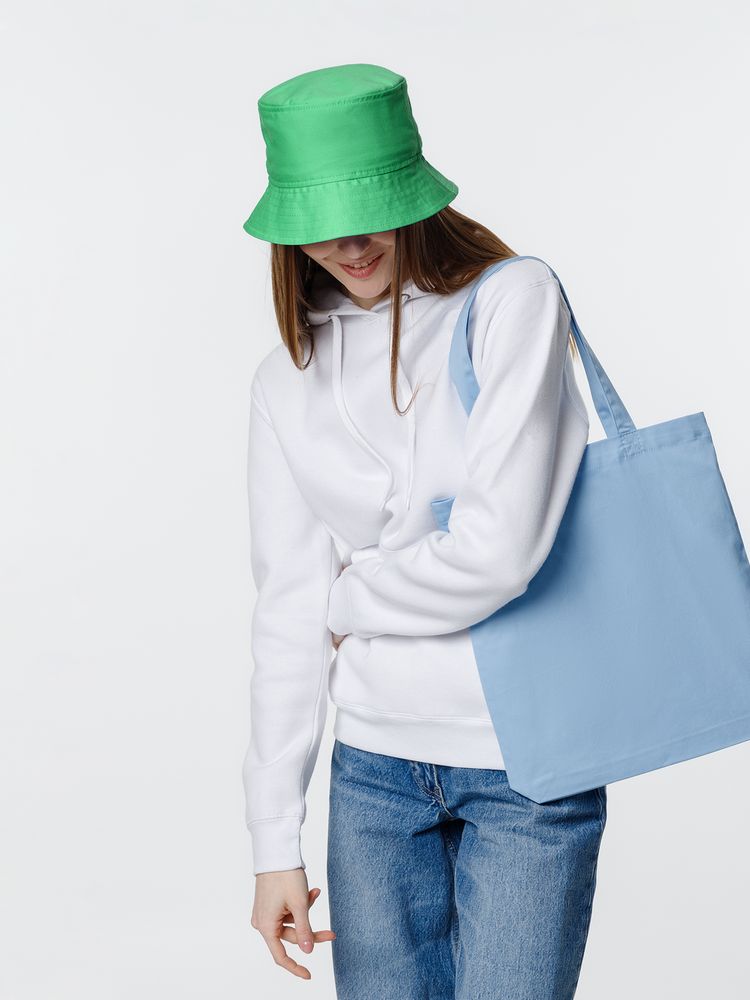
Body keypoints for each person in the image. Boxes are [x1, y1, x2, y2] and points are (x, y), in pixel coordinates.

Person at [241, 62, 607, 998]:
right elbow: (285, 611)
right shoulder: (286, 378)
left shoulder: (511, 300)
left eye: (368, 209)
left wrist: (348, 598)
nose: (348, 243)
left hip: (524, 763)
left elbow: (498, 553)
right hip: (372, 772)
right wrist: (274, 838)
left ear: (413, 192)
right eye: (320, 220)